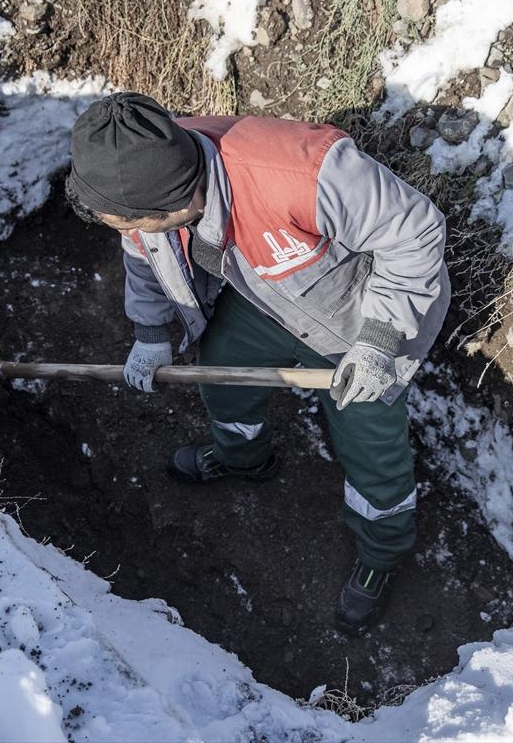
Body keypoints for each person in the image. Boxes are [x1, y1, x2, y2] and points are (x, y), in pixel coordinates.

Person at [65, 92, 449, 635]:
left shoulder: (300, 172)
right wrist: (151, 334)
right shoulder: (141, 175)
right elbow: (145, 255)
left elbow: (415, 234)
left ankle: (381, 553)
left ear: (173, 205)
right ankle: (244, 458)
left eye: (132, 225)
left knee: (371, 448)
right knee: (221, 374)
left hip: (360, 319)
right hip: (268, 296)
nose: (127, 236)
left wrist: (380, 340)